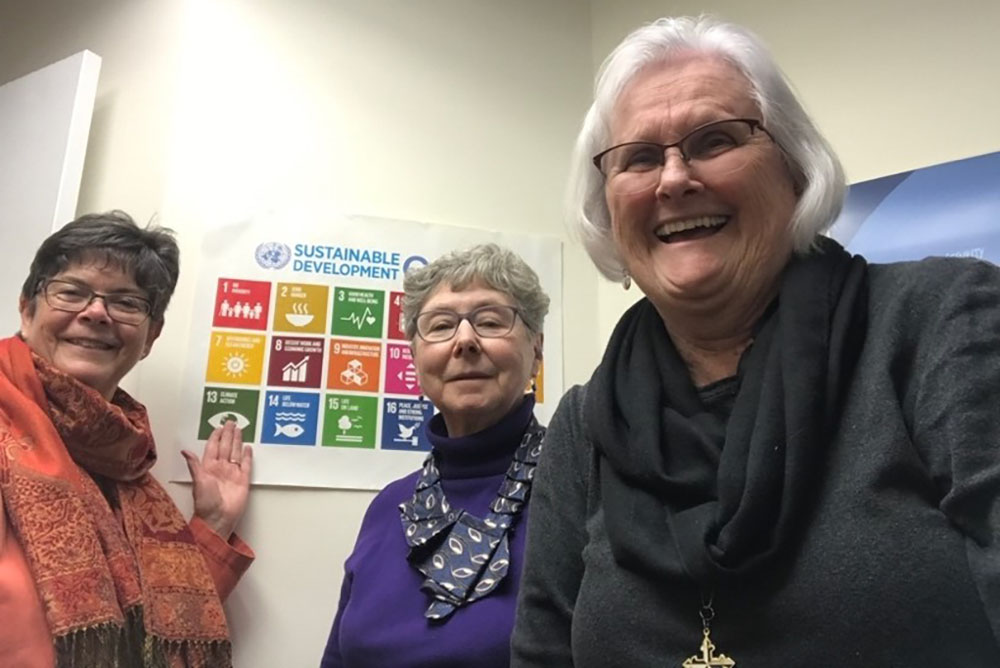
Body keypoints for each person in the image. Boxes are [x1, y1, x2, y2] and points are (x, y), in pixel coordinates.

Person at [511, 15, 1000, 667]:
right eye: (640, 157)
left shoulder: (940, 321)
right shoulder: (585, 427)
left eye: (715, 141)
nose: (674, 179)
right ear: (605, 204)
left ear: (795, 170)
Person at [0, 211, 254, 667]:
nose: (96, 313)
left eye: (127, 303)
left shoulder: (123, 458)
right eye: (71, 292)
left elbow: (146, 629)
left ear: (151, 336)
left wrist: (212, 526)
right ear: (26, 307)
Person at [321, 243, 549, 668]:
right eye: (441, 325)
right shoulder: (388, 507)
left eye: (490, 321)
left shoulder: (578, 485)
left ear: (536, 348)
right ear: (415, 355)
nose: (465, 340)